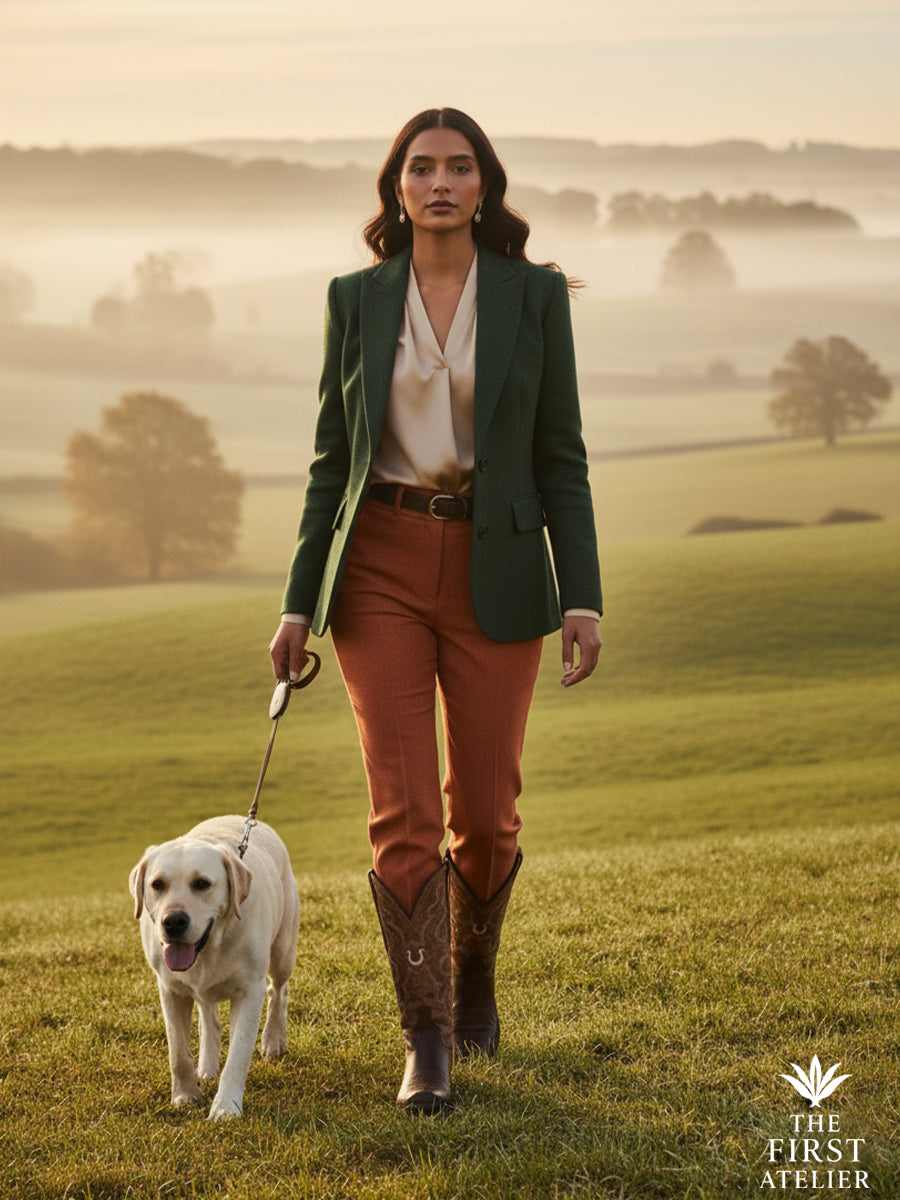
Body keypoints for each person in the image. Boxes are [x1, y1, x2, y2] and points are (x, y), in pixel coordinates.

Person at [269, 107, 602, 1115]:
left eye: (461, 167)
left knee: (487, 813)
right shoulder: (354, 298)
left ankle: (472, 985)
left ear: (485, 186)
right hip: (375, 564)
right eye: (423, 167)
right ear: (397, 188)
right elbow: (334, 457)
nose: (442, 181)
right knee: (402, 808)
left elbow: (563, 455)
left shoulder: (534, 298)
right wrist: (296, 605)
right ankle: (428, 1038)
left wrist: (581, 591)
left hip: (497, 563)